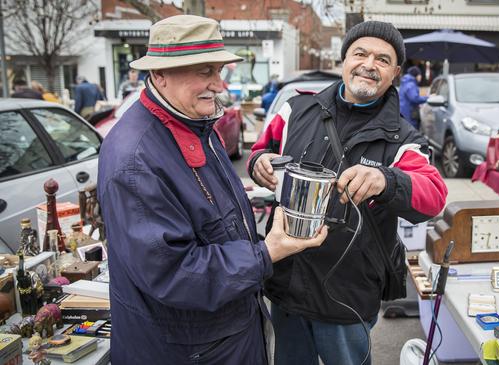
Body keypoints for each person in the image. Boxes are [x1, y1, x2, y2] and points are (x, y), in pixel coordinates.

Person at [97, 15, 327, 364]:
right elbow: (172, 273)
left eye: (219, 71)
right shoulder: (136, 160)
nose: (219, 85)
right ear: (160, 75)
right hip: (190, 349)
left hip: (221, 335)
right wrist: (266, 253)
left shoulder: (194, 124)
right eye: (205, 71)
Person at [248, 20, 448, 364]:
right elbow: (260, 150)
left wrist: (386, 180)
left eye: (383, 60)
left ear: (395, 72)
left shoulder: (404, 140)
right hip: (286, 284)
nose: (370, 65)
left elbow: (434, 195)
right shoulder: (295, 110)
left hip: (347, 296)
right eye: (361, 53)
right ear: (344, 60)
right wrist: (259, 163)